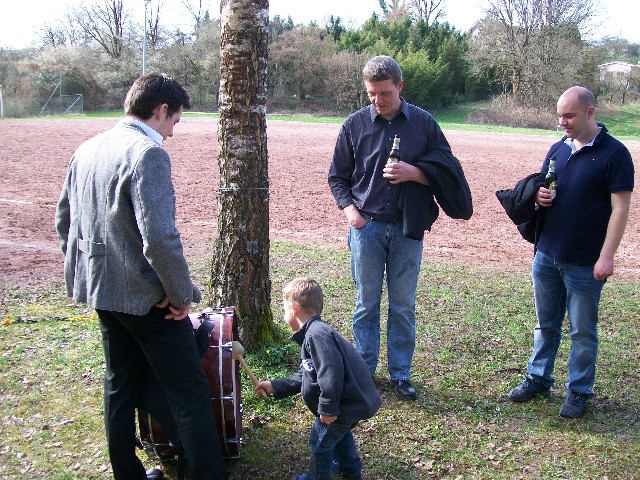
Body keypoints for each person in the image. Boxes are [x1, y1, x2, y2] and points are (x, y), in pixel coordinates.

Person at [55, 73, 228, 479]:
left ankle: (127, 474)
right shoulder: (147, 154)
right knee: (189, 394)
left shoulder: (87, 148)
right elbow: (160, 239)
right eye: (175, 121)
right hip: (150, 302)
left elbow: (65, 222)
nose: (172, 133)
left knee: (120, 385)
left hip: (102, 292)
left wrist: (91, 272)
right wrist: (180, 295)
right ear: (161, 110)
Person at [328, 55, 472, 400]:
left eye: (385, 93)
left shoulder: (424, 123)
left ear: (400, 87)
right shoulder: (354, 125)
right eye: (372, 93)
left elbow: (447, 171)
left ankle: (401, 374)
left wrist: (415, 173)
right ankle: (364, 372)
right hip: (366, 228)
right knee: (366, 304)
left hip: (408, 229)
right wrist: (352, 214)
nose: (378, 100)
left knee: (403, 306)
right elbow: (337, 177)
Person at [507, 86, 634, 418]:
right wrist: (539, 196)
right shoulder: (558, 149)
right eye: (559, 116)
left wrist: (607, 256)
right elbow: (544, 185)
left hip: (586, 261)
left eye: (569, 116)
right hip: (547, 253)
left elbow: (620, 210)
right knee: (545, 325)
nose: (561, 122)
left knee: (582, 330)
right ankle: (538, 379)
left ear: (590, 113)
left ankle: (578, 391)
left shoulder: (615, 154)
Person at [255, 278, 382, 480]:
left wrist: (328, 407)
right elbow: (308, 374)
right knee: (339, 435)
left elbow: (331, 372)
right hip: (350, 403)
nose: (284, 314)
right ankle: (350, 470)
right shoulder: (315, 332)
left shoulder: (316, 336)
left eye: (284, 309)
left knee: (320, 443)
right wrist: (275, 386)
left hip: (344, 404)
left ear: (294, 310)